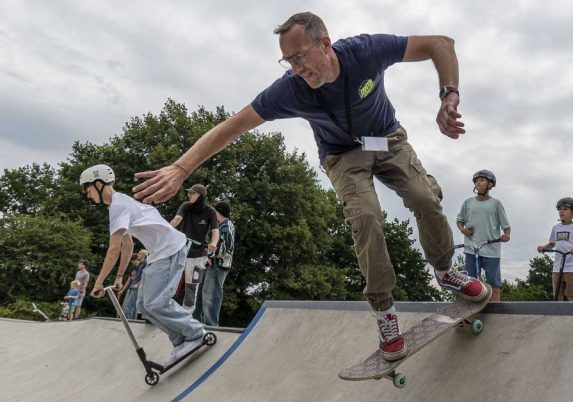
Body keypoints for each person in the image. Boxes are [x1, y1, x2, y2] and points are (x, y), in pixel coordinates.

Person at [132, 12, 488, 361]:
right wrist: (181, 168)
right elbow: (234, 125)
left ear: (325, 44)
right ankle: (385, 312)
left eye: (300, 57)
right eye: (288, 61)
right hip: (342, 156)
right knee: (365, 217)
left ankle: (445, 272)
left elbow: (440, 44)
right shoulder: (289, 90)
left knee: (425, 197)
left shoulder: (366, 51)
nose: (297, 69)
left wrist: (448, 95)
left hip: (387, 139)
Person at [81, 164, 206, 366]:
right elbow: (127, 245)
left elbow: (113, 249)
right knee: (144, 306)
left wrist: (99, 283)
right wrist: (120, 277)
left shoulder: (118, 206)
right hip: (160, 254)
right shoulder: (120, 204)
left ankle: (195, 332)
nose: (88, 195)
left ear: (98, 184)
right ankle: (181, 341)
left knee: (156, 302)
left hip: (170, 249)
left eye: (88, 190)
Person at [456, 170, 510, 302]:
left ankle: (495, 312)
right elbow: (460, 219)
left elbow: (505, 225)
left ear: (490, 184)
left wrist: (506, 235)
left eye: (481, 180)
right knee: (469, 283)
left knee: (493, 283)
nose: (478, 182)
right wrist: (463, 230)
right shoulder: (467, 203)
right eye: (476, 180)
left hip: (491, 249)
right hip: (471, 248)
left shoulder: (496, 204)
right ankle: (470, 313)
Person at [169, 184, 219, 312]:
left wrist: (213, 243)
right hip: (182, 249)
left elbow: (215, 231)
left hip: (199, 253)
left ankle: (187, 313)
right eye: (189, 193)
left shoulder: (210, 211)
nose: (189, 195)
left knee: (192, 285)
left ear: (200, 196)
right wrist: (167, 229)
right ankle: (163, 307)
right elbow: (177, 219)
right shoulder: (186, 206)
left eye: (192, 193)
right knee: (170, 278)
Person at [536, 197, 573, 301]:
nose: (561, 211)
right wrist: (543, 247)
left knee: (572, 297)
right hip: (557, 268)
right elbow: (552, 243)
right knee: (557, 297)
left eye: (565, 209)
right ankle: (558, 317)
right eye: (560, 209)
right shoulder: (556, 228)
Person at [194, 201, 235, 326]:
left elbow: (225, 247)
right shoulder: (219, 225)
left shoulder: (227, 226)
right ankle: (195, 322)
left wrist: (211, 256)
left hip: (219, 265)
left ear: (218, 212)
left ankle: (211, 325)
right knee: (200, 291)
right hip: (210, 263)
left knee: (211, 293)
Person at [119, 253, 143, 320]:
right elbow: (128, 280)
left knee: (130, 305)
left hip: (137, 288)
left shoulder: (142, 266)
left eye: (132, 260)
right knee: (127, 304)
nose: (131, 262)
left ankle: (130, 320)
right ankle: (132, 319)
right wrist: (122, 290)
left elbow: (144, 277)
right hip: (131, 287)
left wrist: (138, 284)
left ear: (136, 259)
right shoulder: (133, 267)